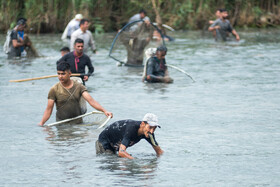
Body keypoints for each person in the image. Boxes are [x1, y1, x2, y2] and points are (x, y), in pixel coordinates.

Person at [38, 62, 112, 126]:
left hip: (78, 123)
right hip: (62, 124)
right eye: (59, 74)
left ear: (69, 74)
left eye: (63, 74)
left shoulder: (79, 86)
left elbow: (91, 101)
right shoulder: (54, 89)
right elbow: (48, 110)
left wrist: (104, 111)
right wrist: (41, 123)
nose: (60, 76)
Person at [96, 113, 164, 159]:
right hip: (104, 141)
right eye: (150, 127)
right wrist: (136, 162)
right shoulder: (131, 128)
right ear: (143, 124)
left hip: (116, 145)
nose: (152, 131)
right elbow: (121, 152)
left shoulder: (149, 133)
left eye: (154, 128)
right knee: (110, 161)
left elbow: (159, 151)